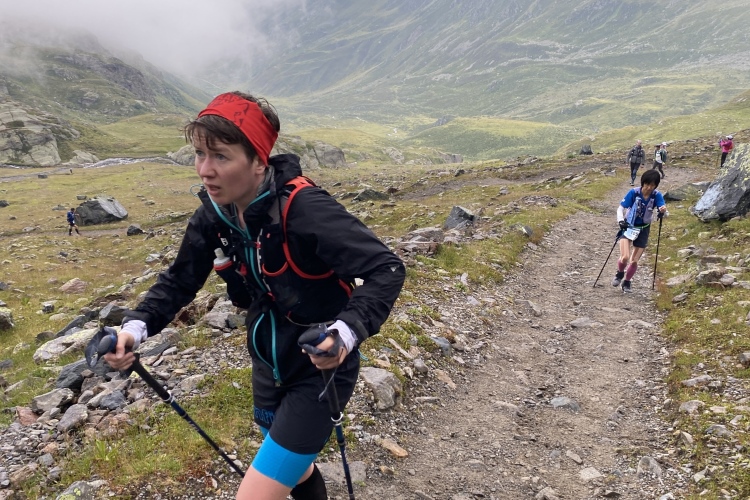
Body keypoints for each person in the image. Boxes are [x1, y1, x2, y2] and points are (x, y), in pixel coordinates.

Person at [103, 91, 406, 500]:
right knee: (297, 471)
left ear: (259, 161)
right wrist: (135, 329)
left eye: (221, 156)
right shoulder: (214, 215)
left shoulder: (305, 209)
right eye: (199, 154)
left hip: (319, 367)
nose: (205, 170)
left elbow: (386, 268)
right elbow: (179, 281)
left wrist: (346, 333)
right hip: (267, 361)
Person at [611, 169, 667, 293]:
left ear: (656, 185)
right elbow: (621, 208)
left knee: (634, 260)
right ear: (643, 183)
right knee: (625, 257)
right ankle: (620, 273)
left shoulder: (656, 195)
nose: (649, 187)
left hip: (643, 229)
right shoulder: (634, 193)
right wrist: (621, 221)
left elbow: (662, 208)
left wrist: (662, 210)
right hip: (629, 226)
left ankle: (627, 282)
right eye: (647, 184)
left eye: (652, 185)